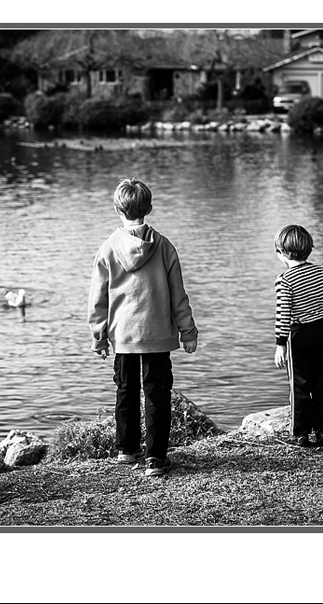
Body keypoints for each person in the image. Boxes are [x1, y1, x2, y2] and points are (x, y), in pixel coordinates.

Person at [88, 178, 198, 477]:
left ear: (116, 209)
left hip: (123, 336)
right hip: (158, 336)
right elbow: (178, 295)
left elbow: (98, 299)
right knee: (157, 395)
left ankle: (127, 450)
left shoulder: (108, 248)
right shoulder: (163, 246)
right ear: (149, 208)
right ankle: (156, 458)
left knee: (125, 391)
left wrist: (99, 337)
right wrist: (188, 332)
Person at [273, 225, 323, 448]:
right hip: (322, 331)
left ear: (281, 253)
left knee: (299, 383)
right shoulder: (322, 273)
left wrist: (280, 344)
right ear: (309, 249)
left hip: (299, 334)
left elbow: (283, 314)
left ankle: (301, 432)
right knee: (322, 382)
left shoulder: (285, 280)